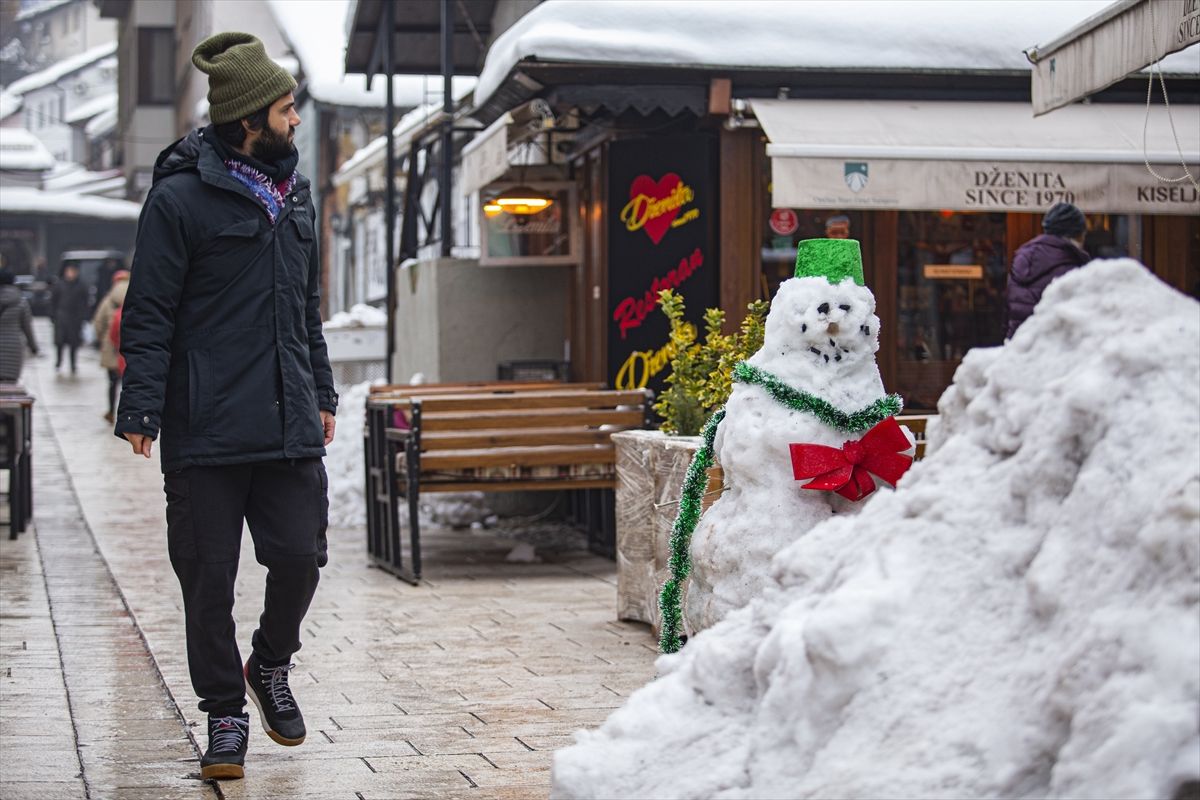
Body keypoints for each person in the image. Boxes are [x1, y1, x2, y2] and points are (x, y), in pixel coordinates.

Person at [114, 32, 337, 781]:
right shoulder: (179, 200)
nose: (295, 121)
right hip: (205, 428)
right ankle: (225, 717)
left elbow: (306, 312)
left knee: (301, 559)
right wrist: (141, 407)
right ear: (248, 121)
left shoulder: (295, 197)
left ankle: (270, 662)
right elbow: (149, 311)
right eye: (285, 109)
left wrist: (325, 394)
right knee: (208, 579)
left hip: (287, 421)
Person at [1005, 202, 1089, 338]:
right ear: (1077, 234)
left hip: (1021, 346)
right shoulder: (1070, 265)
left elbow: (1010, 312)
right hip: (1053, 349)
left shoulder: (1022, 258)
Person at [92, 269, 130, 423]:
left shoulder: (108, 300)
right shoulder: (137, 298)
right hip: (130, 348)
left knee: (112, 382)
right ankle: (127, 414)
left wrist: (103, 339)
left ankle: (111, 411)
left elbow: (98, 323)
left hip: (111, 348)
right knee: (129, 385)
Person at [0, 269, 39, 383]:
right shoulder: (21, 302)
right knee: (10, 386)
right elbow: (27, 328)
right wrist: (34, 348)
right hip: (13, 351)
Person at [50, 263, 89, 374]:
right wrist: (53, 315)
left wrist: (84, 316)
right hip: (61, 317)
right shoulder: (59, 285)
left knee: (74, 343)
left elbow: (85, 302)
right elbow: (53, 301)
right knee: (60, 342)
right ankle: (58, 362)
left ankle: (73, 364)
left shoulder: (81, 286)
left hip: (75, 318)